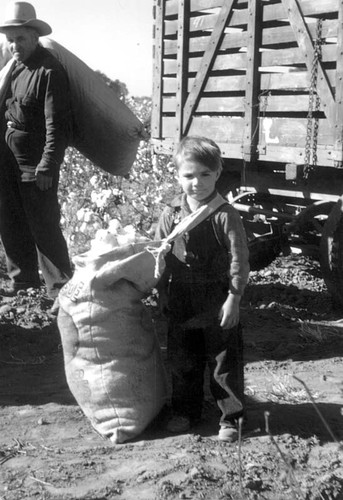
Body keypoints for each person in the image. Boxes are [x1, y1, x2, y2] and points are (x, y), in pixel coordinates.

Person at [155, 136, 250, 442]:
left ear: (218, 173)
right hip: (181, 294)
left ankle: (231, 418)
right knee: (183, 358)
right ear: (177, 176)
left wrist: (233, 299)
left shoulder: (225, 215)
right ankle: (185, 411)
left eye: (205, 175)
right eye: (189, 176)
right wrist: (162, 292)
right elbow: (157, 255)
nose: (197, 183)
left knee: (224, 360)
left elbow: (240, 259)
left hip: (217, 295)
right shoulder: (171, 214)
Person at [0, 2, 72, 303]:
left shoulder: (49, 71)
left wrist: (47, 165)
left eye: (21, 39)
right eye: (11, 40)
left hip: (34, 164)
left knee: (43, 225)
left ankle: (61, 290)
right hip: (7, 161)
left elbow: (58, 126)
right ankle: (23, 281)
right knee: (10, 220)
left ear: (34, 37)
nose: (15, 45)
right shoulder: (13, 69)